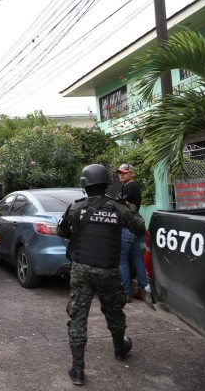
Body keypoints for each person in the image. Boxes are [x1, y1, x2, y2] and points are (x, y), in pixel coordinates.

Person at [57, 164, 146, 385]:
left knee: (78, 316)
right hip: (108, 269)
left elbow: (61, 231)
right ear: (106, 184)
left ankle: (77, 370)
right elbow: (139, 228)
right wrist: (130, 208)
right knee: (114, 311)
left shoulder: (75, 209)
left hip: (81, 269)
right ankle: (120, 348)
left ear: (84, 185)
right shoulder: (119, 208)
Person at [116, 163, 147, 303]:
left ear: (131, 174)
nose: (121, 175)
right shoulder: (130, 186)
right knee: (138, 260)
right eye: (119, 173)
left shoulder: (130, 187)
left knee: (122, 261)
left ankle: (126, 293)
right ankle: (142, 291)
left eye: (124, 173)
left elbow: (119, 205)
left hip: (127, 228)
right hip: (136, 228)